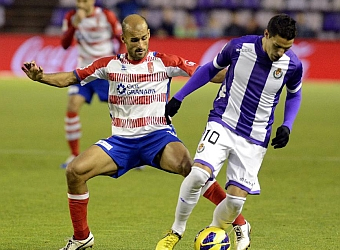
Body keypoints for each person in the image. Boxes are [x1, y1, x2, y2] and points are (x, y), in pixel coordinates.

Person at [21, 14, 248, 250]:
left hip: (158, 137)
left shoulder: (165, 61)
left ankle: (240, 223)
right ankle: (82, 238)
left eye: (143, 39)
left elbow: (208, 73)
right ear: (124, 39)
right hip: (122, 142)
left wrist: (244, 74)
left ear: (149, 35)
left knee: (192, 170)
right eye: (134, 40)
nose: (140, 45)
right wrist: (41, 77)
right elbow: (71, 77)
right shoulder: (108, 65)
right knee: (75, 172)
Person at [157, 13, 302, 250]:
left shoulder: (293, 65)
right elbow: (208, 70)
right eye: (277, 46)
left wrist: (287, 124)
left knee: (234, 202)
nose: (280, 53)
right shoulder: (238, 47)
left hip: (255, 137)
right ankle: (176, 231)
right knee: (197, 175)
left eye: (286, 48)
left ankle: (215, 230)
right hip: (223, 121)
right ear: (266, 35)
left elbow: (295, 94)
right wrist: (179, 97)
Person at [60, 0, 125, 168]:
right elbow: (65, 45)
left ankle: (133, 153)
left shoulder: (106, 16)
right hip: (84, 72)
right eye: (79, 0)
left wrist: (120, 62)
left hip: (105, 71)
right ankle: (74, 155)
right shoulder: (71, 17)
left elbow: (122, 39)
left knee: (122, 112)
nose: (81, 3)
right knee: (72, 106)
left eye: (85, 0)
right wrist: (74, 25)